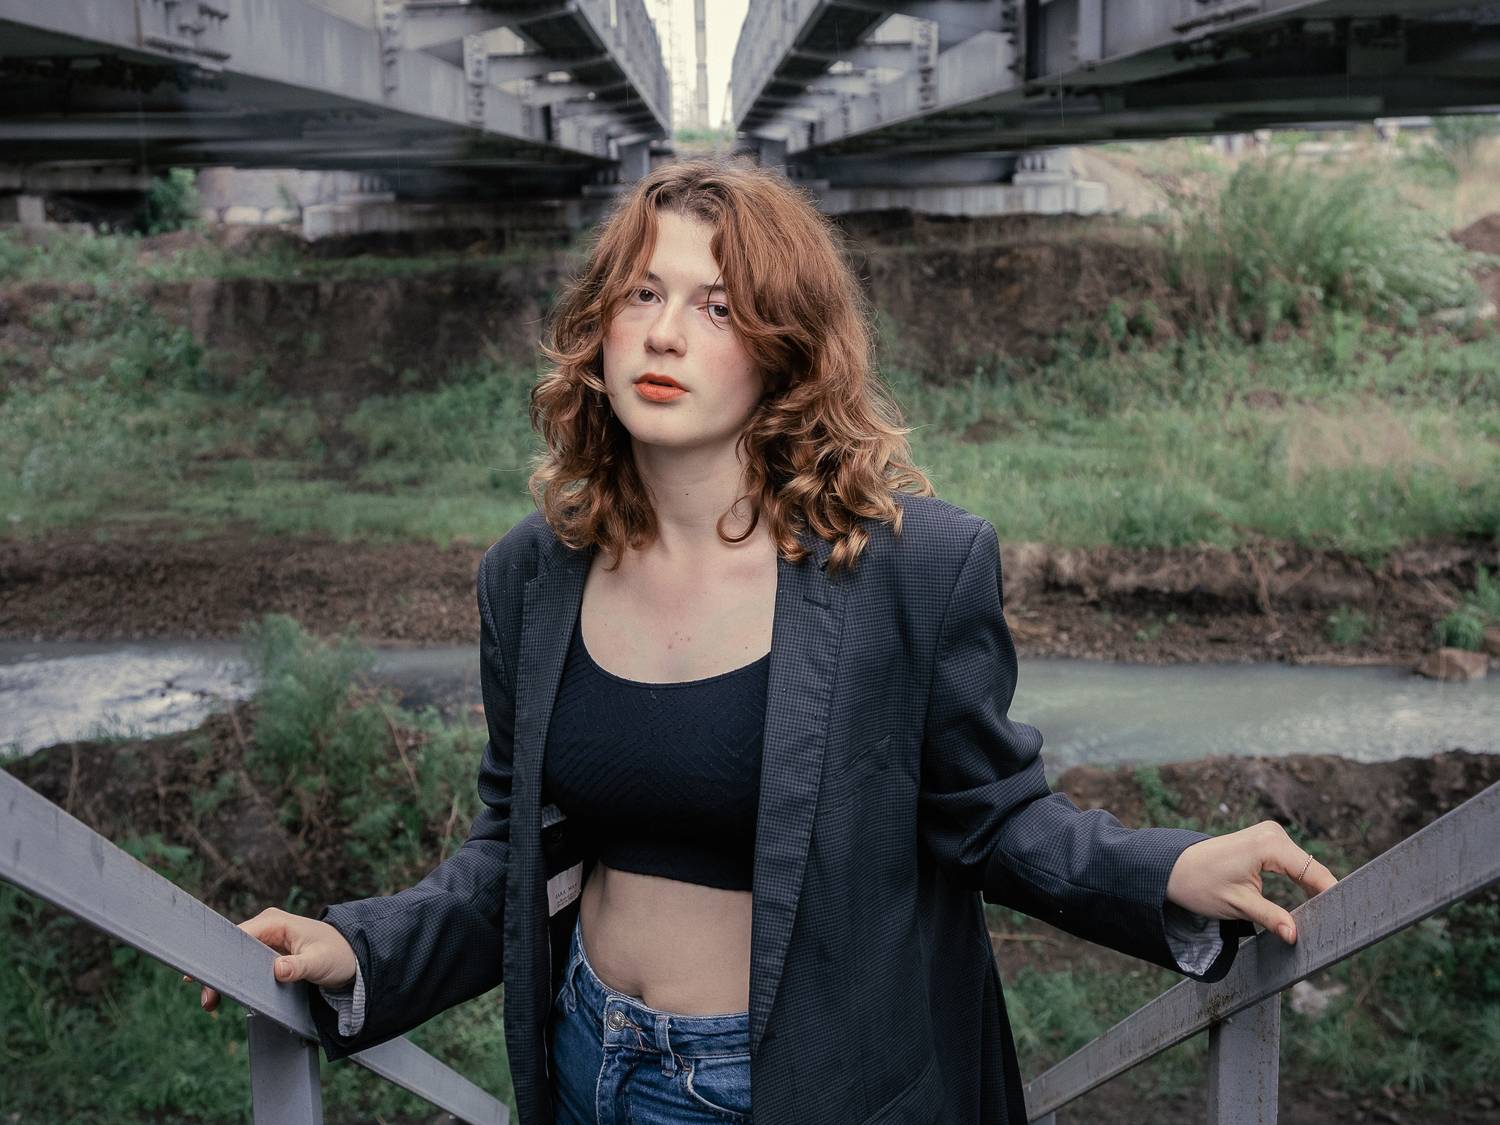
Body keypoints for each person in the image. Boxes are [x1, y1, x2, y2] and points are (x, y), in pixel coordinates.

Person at [195, 157, 1338, 1124]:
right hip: (590, 1058)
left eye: (718, 308)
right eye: (642, 294)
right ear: (597, 328)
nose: (665, 334)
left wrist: (1168, 873)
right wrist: (361, 951)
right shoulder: (531, 575)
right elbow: (514, 853)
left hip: (789, 1086)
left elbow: (991, 820)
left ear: (785, 348)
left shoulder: (912, 570)